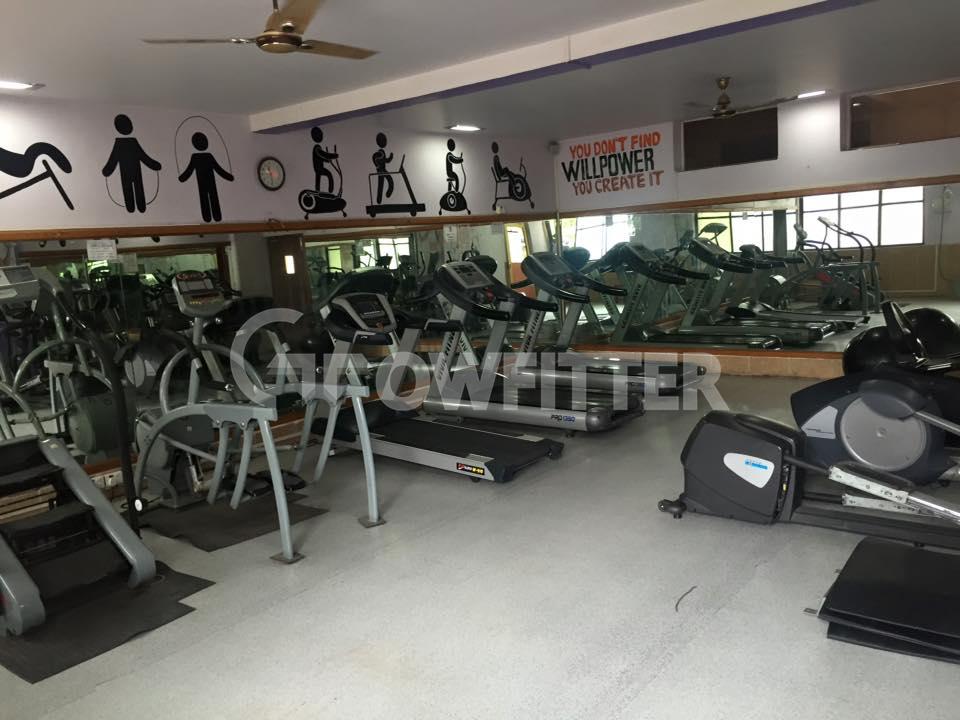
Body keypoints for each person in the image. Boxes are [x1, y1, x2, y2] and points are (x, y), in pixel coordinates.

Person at [102, 114, 162, 213]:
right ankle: (139, 207)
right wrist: (154, 165)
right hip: (135, 171)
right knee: (137, 187)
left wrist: (107, 170)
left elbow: (113, 160)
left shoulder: (120, 143)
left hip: (126, 173)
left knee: (128, 188)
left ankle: (132, 207)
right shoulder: (131, 142)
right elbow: (144, 157)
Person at [178, 132, 234, 223]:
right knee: (212, 197)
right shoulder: (207, 156)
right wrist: (228, 176)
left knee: (204, 198)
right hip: (210, 182)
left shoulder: (196, 157)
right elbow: (218, 169)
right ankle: (216, 216)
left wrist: (182, 178)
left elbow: (189, 170)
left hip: (202, 182)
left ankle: (208, 217)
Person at [311, 126, 338, 194]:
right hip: (319, 168)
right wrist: (334, 156)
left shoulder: (317, 148)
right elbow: (323, 154)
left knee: (318, 178)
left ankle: (318, 191)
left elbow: (320, 157)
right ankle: (330, 190)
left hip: (318, 168)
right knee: (329, 174)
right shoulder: (317, 148)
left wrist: (327, 160)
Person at [372, 132, 394, 204]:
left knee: (383, 183)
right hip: (381, 170)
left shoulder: (381, 151)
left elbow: (385, 160)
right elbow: (375, 157)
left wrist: (390, 158)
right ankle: (381, 198)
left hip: (382, 170)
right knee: (388, 181)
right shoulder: (380, 152)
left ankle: (380, 198)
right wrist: (377, 165)